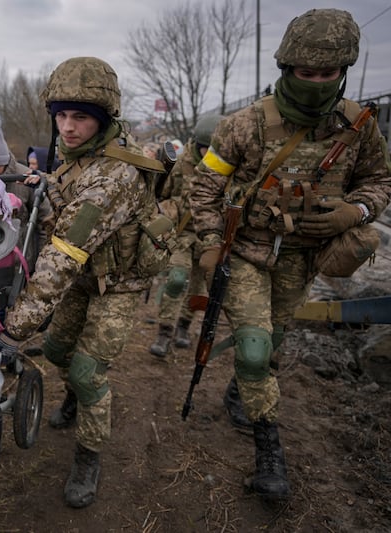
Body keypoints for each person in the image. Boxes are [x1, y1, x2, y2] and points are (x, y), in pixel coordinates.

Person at [190, 8, 391, 501]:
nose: (318, 83)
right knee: (257, 351)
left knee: (271, 342)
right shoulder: (244, 125)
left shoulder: (359, 125)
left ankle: (242, 390)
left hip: (305, 261)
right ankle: (269, 455)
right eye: (307, 73)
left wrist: (358, 211)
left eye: (329, 74)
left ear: (344, 72)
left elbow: (380, 181)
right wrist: (213, 243)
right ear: (287, 69)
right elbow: (204, 189)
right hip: (249, 256)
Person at [0, 57, 163, 508]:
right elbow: (67, 190)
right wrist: (43, 184)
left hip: (118, 283)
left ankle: (88, 456)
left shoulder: (116, 177)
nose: (67, 128)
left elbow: (63, 255)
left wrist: (15, 327)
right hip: (86, 276)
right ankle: (75, 396)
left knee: (88, 372)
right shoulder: (80, 156)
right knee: (55, 350)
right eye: (61, 116)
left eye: (81, 117)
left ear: (103, 120)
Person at [149, 114, 223, 358]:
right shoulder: (181, 165)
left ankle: (184, 325)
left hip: (209, 237)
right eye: (203, 148)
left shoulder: (226, 167)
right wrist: (173, 208)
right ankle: (165, 330)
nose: (207, 154)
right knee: (177, 279)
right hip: (181, 235)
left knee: (199, 287)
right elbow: (162, 196)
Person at [0, 111, 54, 267]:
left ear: (6, 161)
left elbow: (46, 222)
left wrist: (41, 264)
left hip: (22, 264)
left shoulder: (25, 177)